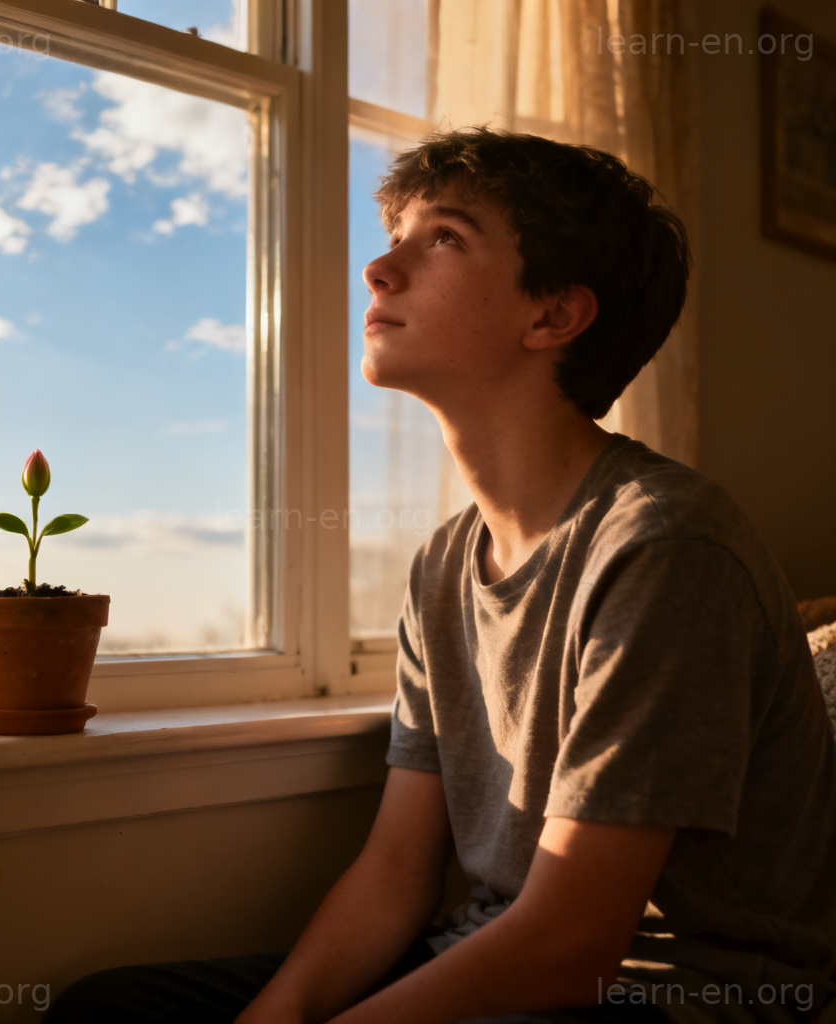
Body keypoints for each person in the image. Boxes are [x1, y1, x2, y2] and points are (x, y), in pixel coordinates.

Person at [45, 128, 836, 1024]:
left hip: (673, 995)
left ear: (554, 317)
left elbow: (574, 944)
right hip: (492, 955)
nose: (379, 270)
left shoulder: (665, 546)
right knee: (111, 1010)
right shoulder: (442, 565)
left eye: (445, 239)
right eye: (397, 237)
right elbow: (394, 876)